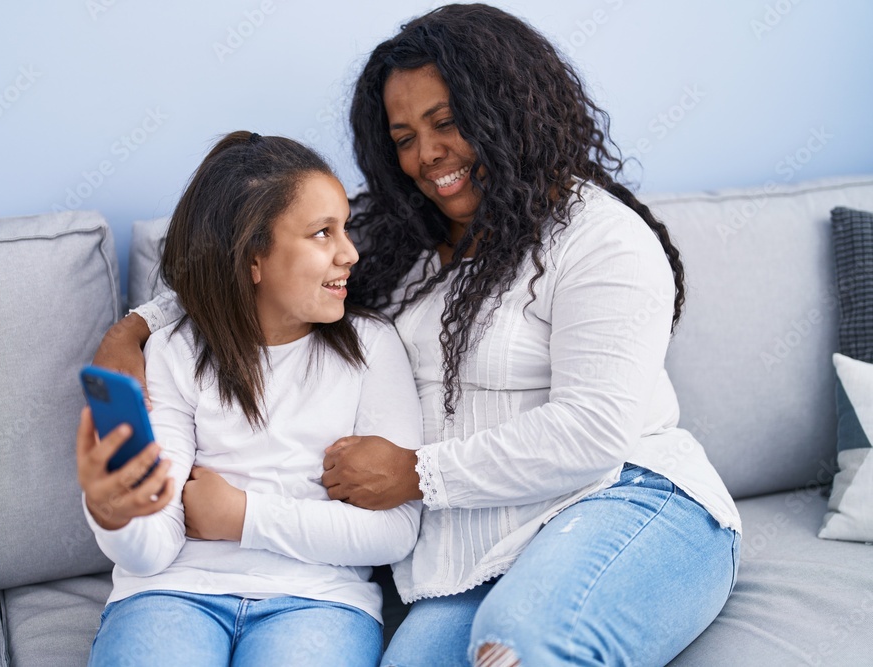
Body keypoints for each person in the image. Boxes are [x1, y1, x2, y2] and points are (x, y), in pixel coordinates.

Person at [96, 5, 742, 666]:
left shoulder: (603, 241)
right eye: (403, 136)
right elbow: (249, 265)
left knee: (519, 642)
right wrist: (135, 329)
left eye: (446, 122)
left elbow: (592, 434)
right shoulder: (399, 233)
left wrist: (415, 472)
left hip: (626, 500)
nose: (427, 156)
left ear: (508, 109)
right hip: (477, 549)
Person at [78, 131, 422, 667]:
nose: (350, 253)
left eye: (345, 228)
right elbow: (152, 551)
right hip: (173, 591)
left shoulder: (373, 348)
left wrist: (243, 516)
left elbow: (393, 533)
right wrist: (115, 514)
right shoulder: (174, 351)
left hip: (318, 601)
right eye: (322, 234)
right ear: (252, 258)